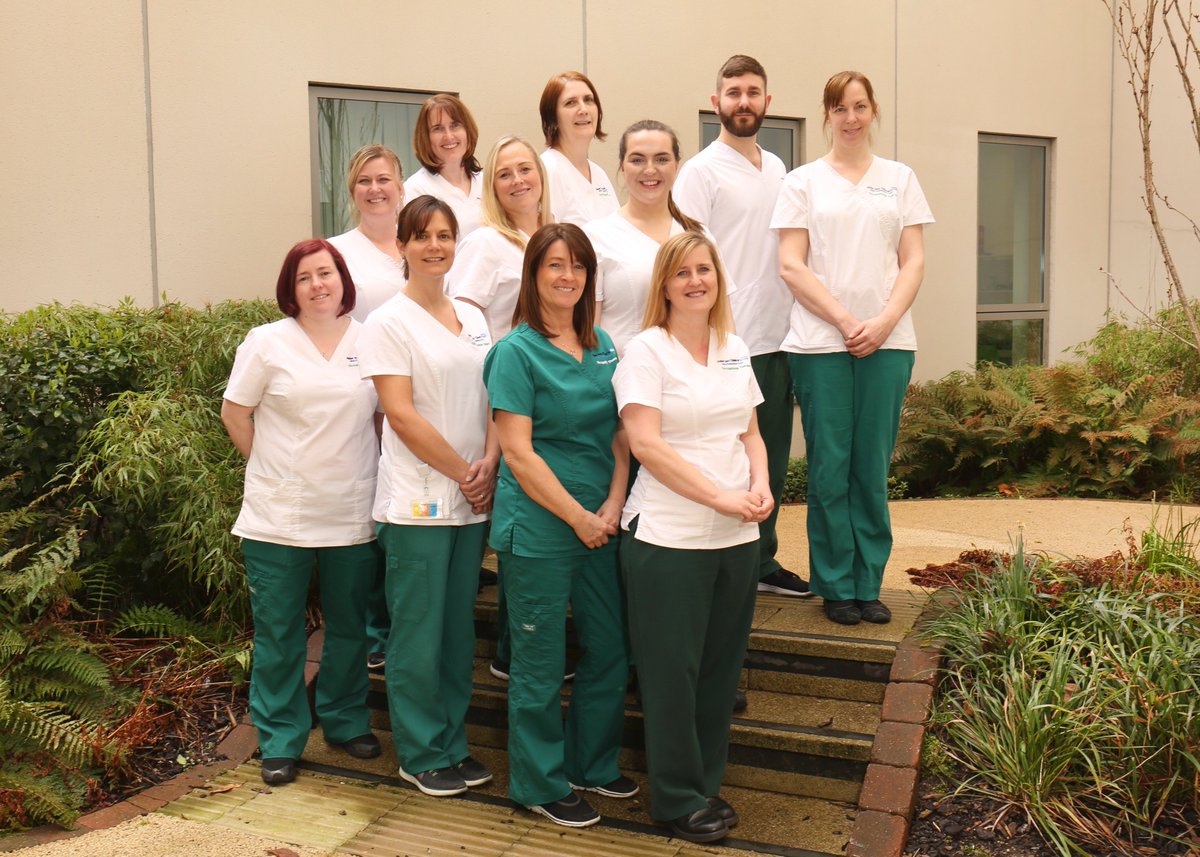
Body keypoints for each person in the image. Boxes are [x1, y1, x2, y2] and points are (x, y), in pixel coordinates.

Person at [613, 231, 772, 843]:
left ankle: (706, 784)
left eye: (704, 270)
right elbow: (647, 444)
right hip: (669, 540)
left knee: (717, 670)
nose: (695, 281)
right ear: (665, 286)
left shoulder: (735, 346)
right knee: (670, 674)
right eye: (682, 273)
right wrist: (720, 496)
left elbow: (750, 432)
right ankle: (676, 798)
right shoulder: (645, 352)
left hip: (735, 538)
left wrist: (760, 487)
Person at [483, 223, 633, 829]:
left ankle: (589, 763)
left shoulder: (604, 346)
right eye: (554, 266)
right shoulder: (515, 352)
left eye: (577, 266)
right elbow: (517, 452)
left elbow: (621, 435)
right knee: (540, 662)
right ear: (534, 276)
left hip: (600, 521)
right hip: (543, 528)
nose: (567, 276)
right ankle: (538, 783)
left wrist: (613, 506)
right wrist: (576, 517)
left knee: (610, 648)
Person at [771, 70, 934, 626]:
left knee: (870, 466)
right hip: (820, 345)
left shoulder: (900, 178)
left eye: (860, 106)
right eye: (840, 107)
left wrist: (885, 321)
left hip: (889, 344)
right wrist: (844, 320)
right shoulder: (803, 182)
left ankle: (869, 582)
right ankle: (837, 584)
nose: (851, 117)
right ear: (827, 115)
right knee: (829, 467)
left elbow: (913, 259)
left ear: (873, 111)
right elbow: (791, 264)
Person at [221, 239, 382, 786]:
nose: (318, 284)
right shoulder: (267, 342)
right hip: (278, 517)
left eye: (327, 273)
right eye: (305, 277)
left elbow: (384, 421)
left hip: (352, 509)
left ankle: (343, 720)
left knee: (349, 627)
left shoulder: (370, 340)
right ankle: (281, 738)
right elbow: (235, 412)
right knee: (279, 631)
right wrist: (270, 469)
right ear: (291, 289)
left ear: (343, 279)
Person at [357, 196, 498, 797]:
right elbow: (400, 415)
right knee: (417, 633)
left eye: (445, 235)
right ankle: (420, 752)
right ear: (404, 247)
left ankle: (453, 744)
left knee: (456, 633)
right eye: (423, 236)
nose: (435, 245)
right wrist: (466, 469)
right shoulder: (388, 322)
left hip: (473, 499)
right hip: (418, 503)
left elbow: (495, 397)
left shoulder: (474, 318)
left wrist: (490, 460)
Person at [673, 55, 808, 599]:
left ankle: (762, 559)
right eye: (733, 92)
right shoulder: (699, 173)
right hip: (727, 341)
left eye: (753, 92)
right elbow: (685, 258)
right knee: (724, 454)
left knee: (769, 458)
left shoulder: (778, 170)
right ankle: (725, 561)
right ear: (717, 103)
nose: (743, 101)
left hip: (779, 338)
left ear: (767, 103)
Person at [585, 120, 704, 355]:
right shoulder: (595, 238)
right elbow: (589, 333)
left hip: (690, 382)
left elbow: (721, 319)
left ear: (677, 166)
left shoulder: (699, 236)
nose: (650, 169)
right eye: (637, 160)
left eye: (661, 159)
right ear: (622, 167)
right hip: (622, 381)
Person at [448, 135, 553, 343]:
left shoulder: (559, 239)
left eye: (525, 169)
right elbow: (461, 327)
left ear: (541, 174)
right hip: (509, 371)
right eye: (504, 175)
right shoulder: (484, 244)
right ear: (492, 188)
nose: (517, 180)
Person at [328, 144, 407, 323]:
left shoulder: (422, 244)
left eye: (383, 179)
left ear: (400, 187)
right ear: (352, 191)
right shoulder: (333, 253)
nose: (374, 188)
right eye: (364, 181)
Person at [538, 71, 618, 226]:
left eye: (588, 100)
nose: (583, 110)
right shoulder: (548, 170)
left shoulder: (598, 173)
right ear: (552, 117)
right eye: (570, 103)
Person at [404, 95, 485, 238]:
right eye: (438, 129)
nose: (448, 136)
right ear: (426, 137)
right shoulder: (415, 190)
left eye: (455, 126)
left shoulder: (487, 182)